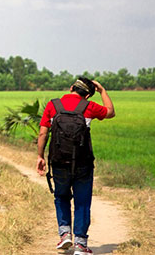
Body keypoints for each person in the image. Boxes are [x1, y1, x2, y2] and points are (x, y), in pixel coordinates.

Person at [36, 77, 115, 255]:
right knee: (82, 202)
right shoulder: (89, 106)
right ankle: (80, 244)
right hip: (83, 163)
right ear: (87, 95)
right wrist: (102, 90)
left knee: (61, 196)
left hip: (58, 161)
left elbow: (43, 132)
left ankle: (65, 235)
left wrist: (40, 156)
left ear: (71, 87)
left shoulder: (53, 105)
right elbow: (110, 111)